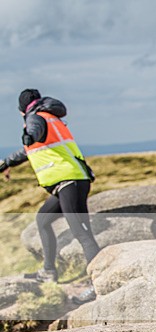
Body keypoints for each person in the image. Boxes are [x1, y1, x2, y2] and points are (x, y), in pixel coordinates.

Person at [0, 89, 100, 304]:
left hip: (70, 181)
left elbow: (34, 135)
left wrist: (29, 133)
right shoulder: (50, 116)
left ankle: (97, 285)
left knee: (82, 234)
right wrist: (7, 163)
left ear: (21, 109)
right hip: (68, 182)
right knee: (43, 220)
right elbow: (30, 149)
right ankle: (48, 271)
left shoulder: (35, 118)